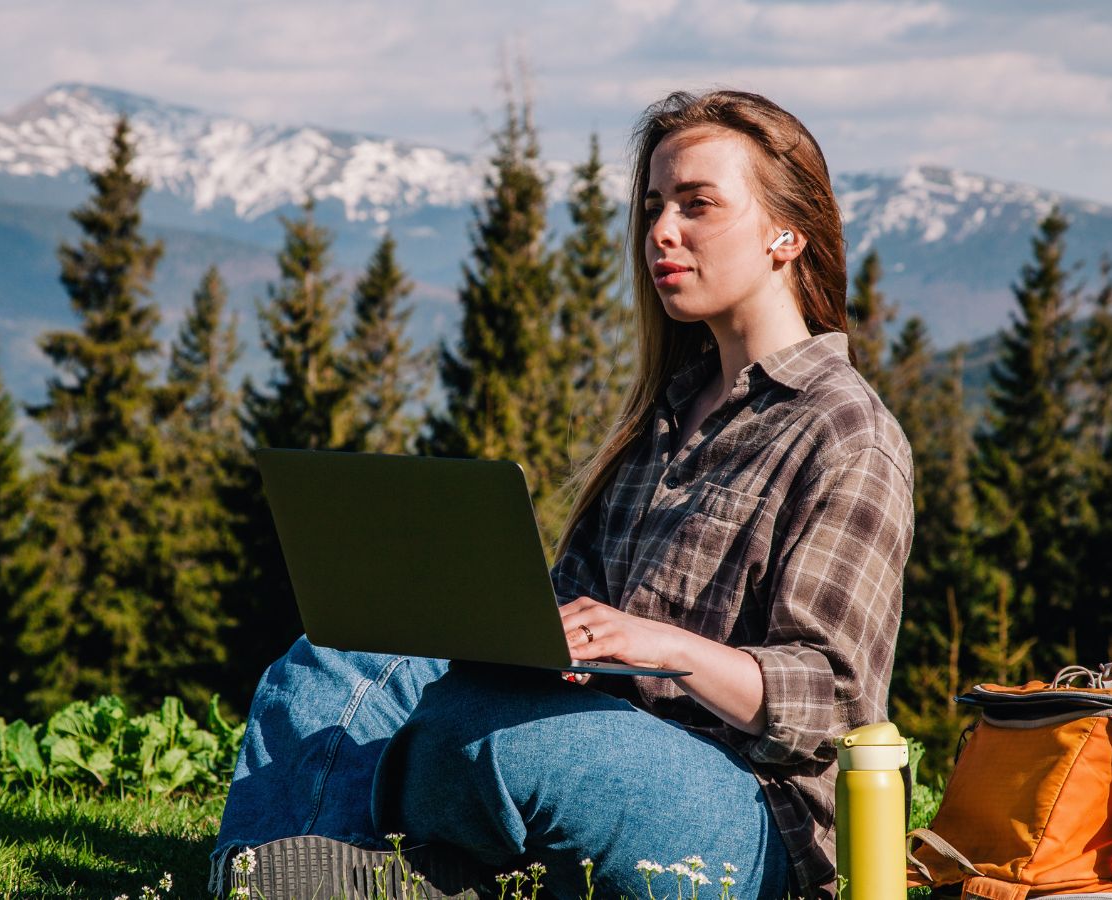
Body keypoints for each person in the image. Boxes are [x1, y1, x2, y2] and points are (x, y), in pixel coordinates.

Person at [209, 89, 913, 900]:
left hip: (752, 818)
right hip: (605, 746)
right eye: (652, 206)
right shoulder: (667, 416)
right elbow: (575, 614)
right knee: (335, 655)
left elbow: (834, 700)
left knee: (487, 737)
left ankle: (368, 865)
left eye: (698, 205)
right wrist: (513, 634)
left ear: (787, 234)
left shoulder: (846, 432)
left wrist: (664, 647)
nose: (661, 232)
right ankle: (289, 879)